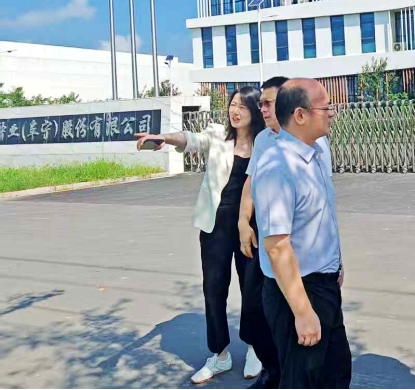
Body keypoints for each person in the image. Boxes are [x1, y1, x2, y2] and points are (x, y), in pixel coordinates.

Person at [135, 86, 265, 384]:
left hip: (251, 226)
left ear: (256, 111)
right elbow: (191, 139)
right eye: (233, 105)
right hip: (216, 226)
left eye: (243, 107)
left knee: (253, 290)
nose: (235, 111)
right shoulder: (218, 136)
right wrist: (164, 138)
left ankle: (256, 347)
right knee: (214, 289)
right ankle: (220, 354)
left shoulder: (265, 143)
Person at [252, 79, 351, 389]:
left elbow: (320, 217)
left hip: (324, 286)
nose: (332, 113)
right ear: (300, 115)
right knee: (303, 379)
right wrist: (303, 312)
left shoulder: (317, 152)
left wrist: (335, 262)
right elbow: (277, 246)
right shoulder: (278, 167)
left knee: (335, 374)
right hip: (297, 291)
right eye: (325, 107)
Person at [236, 76, 290, 389]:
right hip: (264, 238)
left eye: (269, 103)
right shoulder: (263, 140)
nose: (263, 109)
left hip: (296, 244)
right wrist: (243, 221)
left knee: (293, 316)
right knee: (255, 313)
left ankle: (288, 376)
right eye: (261, 104)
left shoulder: (309, 141)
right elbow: (250, 182)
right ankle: (272, 369)